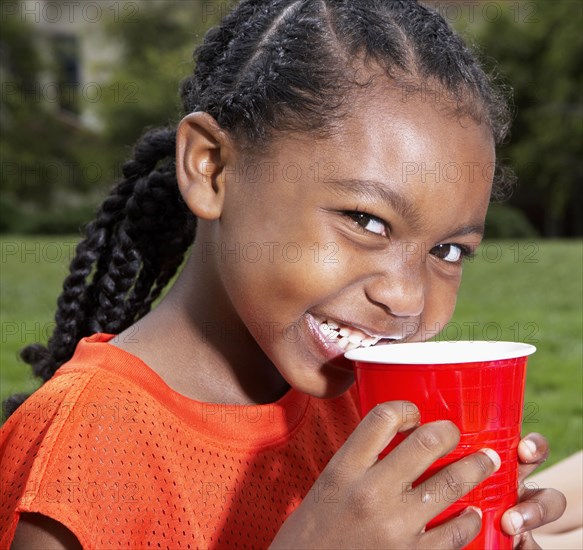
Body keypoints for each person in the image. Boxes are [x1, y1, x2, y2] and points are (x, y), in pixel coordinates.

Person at [0, 0, 568, 548]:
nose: (406, 297)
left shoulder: (361, 408)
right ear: (212, 169)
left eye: (447, 251)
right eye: (365, 220)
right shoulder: (83, 447)